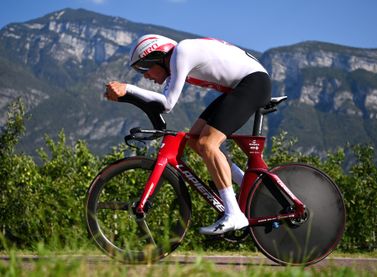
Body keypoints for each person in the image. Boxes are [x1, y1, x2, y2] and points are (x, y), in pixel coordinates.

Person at [105, 34, 271, 235]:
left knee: (208, 144)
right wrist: (128, 95)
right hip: (243, 86)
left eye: (143, 68)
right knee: (194, 141)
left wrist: (128, 88)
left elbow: (167, 104)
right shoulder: (178, 60)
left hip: (252, 83)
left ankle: (234, 213)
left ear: (156, 57)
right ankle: (247, 186)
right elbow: (161, 104)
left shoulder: (181, 52)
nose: (144, 76)